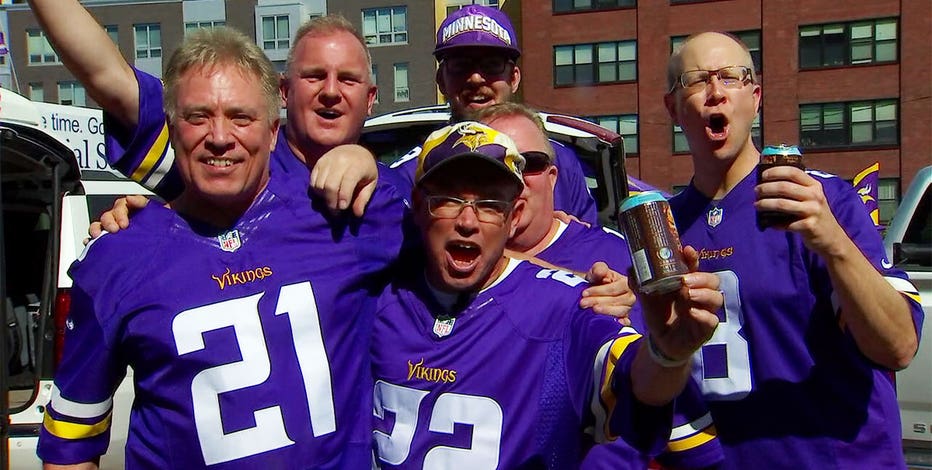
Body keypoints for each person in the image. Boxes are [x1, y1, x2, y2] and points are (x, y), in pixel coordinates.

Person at [37, 27, 405, 469]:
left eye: (240, 117)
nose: (219, 137)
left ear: (272, 131)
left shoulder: (346, 215)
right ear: (171, 130)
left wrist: (364, 160)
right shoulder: (115, 258)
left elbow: (479, 228)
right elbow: (71, 445)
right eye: (198, 117)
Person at [371, 121, 722, 468]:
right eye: (449, 199)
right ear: (418, 205)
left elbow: (635, 382)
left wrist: (666, 354)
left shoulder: (565, 306)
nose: (468, 221)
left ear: (513, 217)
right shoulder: (377, 302)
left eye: (490, 204)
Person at [663, 31, 924, 469]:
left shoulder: (822, 200)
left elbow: (898, 346)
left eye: (731, 78)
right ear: (672, 107)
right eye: (696, 80)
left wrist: (832, 242)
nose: (715, 94)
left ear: (756, 97)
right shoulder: (666, 226)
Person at [476, 103, 723, 469]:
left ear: (554, 176)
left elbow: (674, 408)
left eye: (530, 164)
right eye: (495, 165)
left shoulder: (618, 258)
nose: (514, 179)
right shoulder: (449, 269)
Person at [28, 0, 381, 217]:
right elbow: (107, 77)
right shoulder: (232, 158)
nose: (331, 92)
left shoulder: (397, 192)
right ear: (283, 91)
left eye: (348, 79)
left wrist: (371, 167)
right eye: (314, 76)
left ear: (371, 98)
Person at [387, 4, 599, 225]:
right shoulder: (412, 173)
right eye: (461, 66)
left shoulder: (559, 162)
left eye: (492, 65)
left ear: (514, 78)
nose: (476, 78)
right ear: (441, 80)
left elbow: (593, 247)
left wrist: (567, 241)